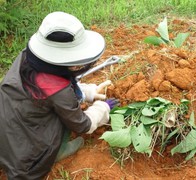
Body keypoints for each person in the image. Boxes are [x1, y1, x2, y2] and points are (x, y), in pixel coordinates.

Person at [0, 11, 119, 179]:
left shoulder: (27, 58)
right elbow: (82, 125)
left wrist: (87, 92)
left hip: (7, 127)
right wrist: (102, 109)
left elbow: (46, 91)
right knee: (63, 118)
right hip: (26, 157)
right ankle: (57, 152)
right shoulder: (59, 92)